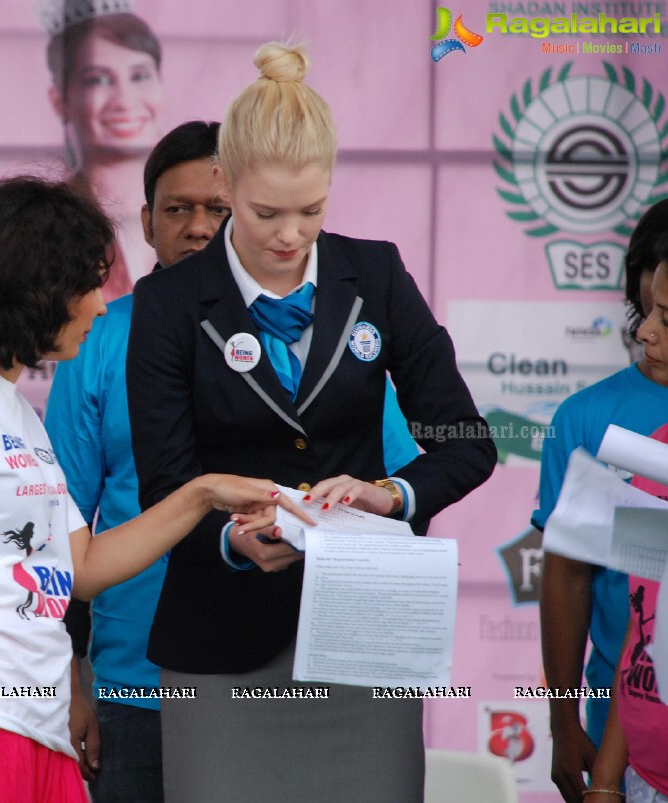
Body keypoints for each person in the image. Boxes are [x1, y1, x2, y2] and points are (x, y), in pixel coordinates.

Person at [0, 175, 307, 803]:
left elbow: (82, 568)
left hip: (33, 727)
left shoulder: (8, 407)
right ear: (32, 288)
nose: (100, 303)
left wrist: (202, 495)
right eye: (87, 282)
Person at [126, 42, 496, 802]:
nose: (290, 234)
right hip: (218, 641)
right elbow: (166, 481)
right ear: (225, 183)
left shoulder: (378, 274)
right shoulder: (168, 303)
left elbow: (466, 442)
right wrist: (231, 538)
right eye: (266, 212)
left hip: (365, 633)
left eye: (312, 210)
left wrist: (385, 495)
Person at [45, 120, 230, 801]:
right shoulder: (96, 336)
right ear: (147, 223)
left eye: (219, 210)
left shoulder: (300, 331)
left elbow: (390, 485)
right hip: (132, 686)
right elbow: (53, 518)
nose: (198, 228)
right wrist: (72, 676)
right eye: (178, 210)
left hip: (275, 681)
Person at [537, 199, 668, 803]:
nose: (647, 329)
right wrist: (566, 725)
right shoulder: (587, 417)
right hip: (630, 723)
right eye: (653, 294)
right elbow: (573, 574)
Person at [588, 256, 668, 799]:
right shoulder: (656, 448)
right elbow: (636, 633)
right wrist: (608, 781)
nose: (645, 330)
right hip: (641, 775)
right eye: (651, 310)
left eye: (667, 316)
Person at [44, 5, 163, 302]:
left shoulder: (198, 214)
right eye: (98, 80)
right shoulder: (47, 226)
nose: (124, 101)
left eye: (140, 76)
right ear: (60, 100)